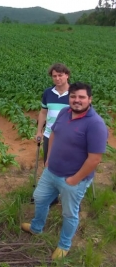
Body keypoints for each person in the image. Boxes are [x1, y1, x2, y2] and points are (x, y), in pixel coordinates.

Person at [22, 82, 108, 260]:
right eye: (73, 96)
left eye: (81, 97)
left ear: (90, 99)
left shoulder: (95, 124)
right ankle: (36, 227)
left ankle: (64, 245)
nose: (77, 100)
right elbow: (54, 134)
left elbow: (95, 159)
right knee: (39, 198)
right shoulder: (64, 112)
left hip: (73, 179)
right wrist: (49, 159)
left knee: (69, 213)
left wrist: (75, 179)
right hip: (51, 171)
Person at [35, 63, 70, 206]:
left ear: (67, 75)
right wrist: (39, 131)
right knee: (49, 165)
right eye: (54, 76)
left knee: (70, 166)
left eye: (60, 75)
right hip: (49, 135)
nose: (57, 78)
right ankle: (53, 197)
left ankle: (69, 196)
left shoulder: (74, 93)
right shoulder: (48, 93)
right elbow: (43, 112)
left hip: (70, 138)